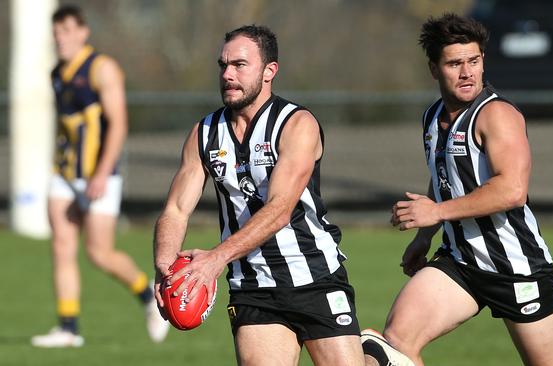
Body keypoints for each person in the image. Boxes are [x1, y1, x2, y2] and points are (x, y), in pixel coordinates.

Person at [361, 13, 553, 366]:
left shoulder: (497, 115)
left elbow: (512, 190)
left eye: (473, 61)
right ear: (434, 69)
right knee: (392, 343)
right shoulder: (432, 117)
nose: (467, 72)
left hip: (516, 266)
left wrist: (437, 213)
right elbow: (444, 177)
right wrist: (425, 236)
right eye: (455, 63)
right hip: (460, 262)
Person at [153, 25, 365, 365]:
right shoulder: (205, 133)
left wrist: (215, 258)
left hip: (313, 274)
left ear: (269, 71)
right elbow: (177, 210)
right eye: (223, 66)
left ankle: (376, 356)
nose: (228, 75)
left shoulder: (296, 124)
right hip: (252, 285)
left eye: (239, 65)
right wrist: (165, 268)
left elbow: (280, 209)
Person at [31, 5, 169, 348]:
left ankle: (148, 297)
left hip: (100, 175)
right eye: (56, 31)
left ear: (83, 32)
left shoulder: (102, 68)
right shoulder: (57, 74)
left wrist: (102, 172)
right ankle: (68, 327)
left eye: (66, 30)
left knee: (99, 252)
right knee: (62, 247)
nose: (60, 38)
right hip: (64, 173)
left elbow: (118, 123)